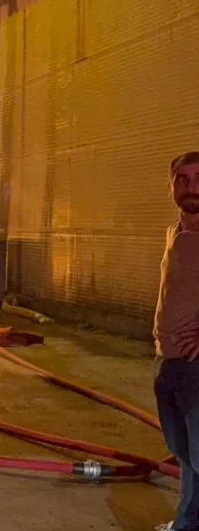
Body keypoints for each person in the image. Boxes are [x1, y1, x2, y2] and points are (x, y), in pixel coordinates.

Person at [154, 152, 199, 531]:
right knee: (183, 452)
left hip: (197, 364)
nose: (191, 187)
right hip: (169, 361)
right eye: (182, 179)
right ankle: (186, 523)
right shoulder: (175, 231)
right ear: (171, 187)